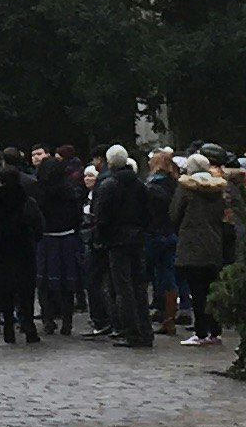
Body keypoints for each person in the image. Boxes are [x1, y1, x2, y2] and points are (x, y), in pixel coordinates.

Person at [0, 149, 41, 343]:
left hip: (0, 254)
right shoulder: (27, 202)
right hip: (24, 252)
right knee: (26, 291)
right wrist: (33, 241)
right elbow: (38, 225)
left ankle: (8, 329)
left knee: (3, 290)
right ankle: (29, 327)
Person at [91, 144, 153, 346]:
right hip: (137, 238)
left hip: (117, 240)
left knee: (123, 288)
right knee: (139, 286)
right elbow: (146, 213)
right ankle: (145, 330)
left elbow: (101, 217)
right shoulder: (139, 184)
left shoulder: (109, 185)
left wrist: (101, 237)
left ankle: (132, 332)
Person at [171, 150, 229, 345]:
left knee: (196, 290)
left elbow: (174, 214)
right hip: (213, 242)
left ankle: (201, 332)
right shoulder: (218, 189)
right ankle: (215, 331)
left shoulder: (186, 188)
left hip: (191, 244)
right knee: (212, 288)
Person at [33, 145, 85, 334]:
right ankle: (67, 321)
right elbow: (77, 214)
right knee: (67, 282)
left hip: (46, 239)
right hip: (67, 237)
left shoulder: (39, 190)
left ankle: (48, 318)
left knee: (45, 282)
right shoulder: (69, 189)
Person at [141, 144, 185, 336]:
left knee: (147, 275)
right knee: (168, 276)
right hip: (170, 233)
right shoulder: (175, 184)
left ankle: (151, 314)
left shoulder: (151, 186)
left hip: (153, 234)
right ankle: (169, 317)